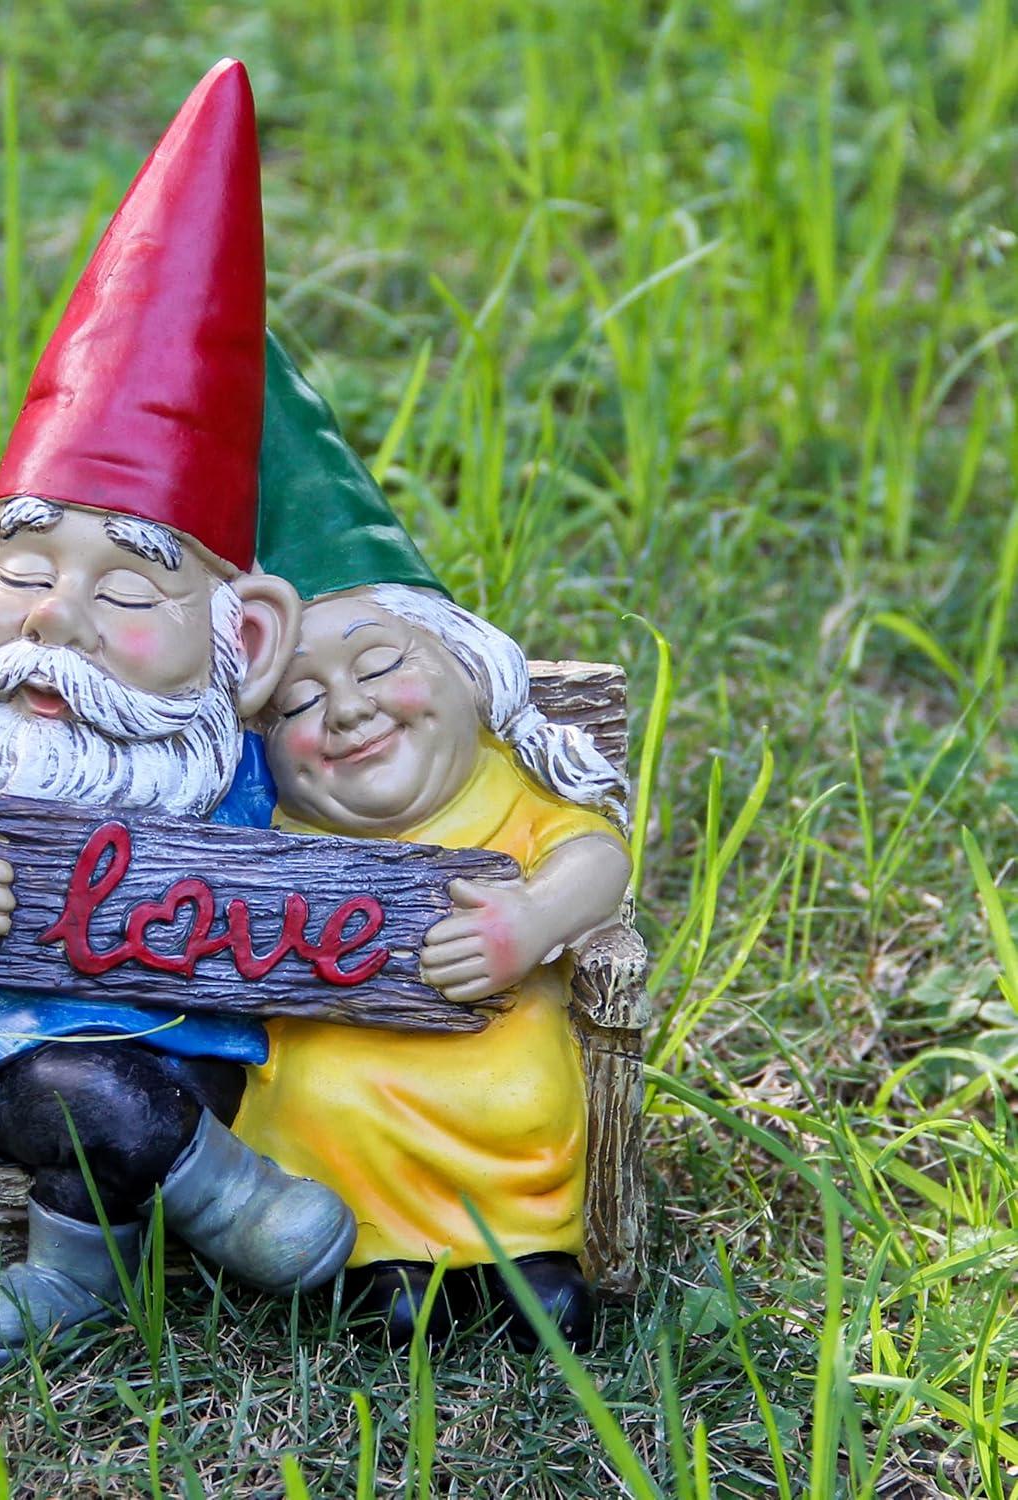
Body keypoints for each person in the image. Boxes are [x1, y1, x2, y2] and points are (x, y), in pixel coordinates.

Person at [0, 67, 353, 1367]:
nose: (55, 618)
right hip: (0, 1039)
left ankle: (82, 1271)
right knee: (74, 1093)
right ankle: (224, 1205)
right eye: (21, 571)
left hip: (191, 1035)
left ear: (234, 640)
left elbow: (306, 866)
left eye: (126, 586)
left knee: (143, 1089)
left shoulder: (212, 743)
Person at [231, 335, 632, 1347]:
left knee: (529, 1087)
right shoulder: (265, 829)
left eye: (378, 667)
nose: (349, 711)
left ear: (465, 672)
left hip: (496, 1023)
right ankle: (386, 1265)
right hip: (337, 1038)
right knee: (323, 1094)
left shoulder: (508, 782)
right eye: (301, 702)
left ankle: (530, 1258)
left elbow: (598, 858)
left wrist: (533, 918)